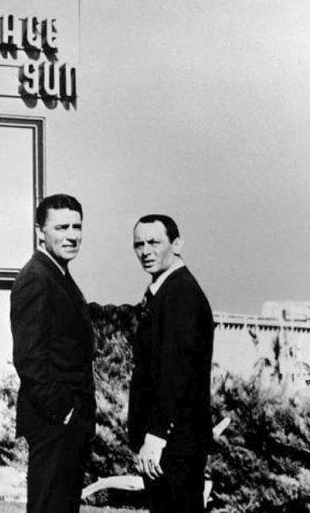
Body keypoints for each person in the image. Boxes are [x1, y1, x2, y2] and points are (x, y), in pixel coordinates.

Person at [10, 194, 95, 513]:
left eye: (77, 226)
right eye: (61, 227)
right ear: (39, 231)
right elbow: (29, 358)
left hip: (67, 425)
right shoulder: (36, 278)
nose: (72, 235)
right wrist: (63, 411)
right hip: (53, 422)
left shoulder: (58, 275)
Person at [128, 214, 214, 513]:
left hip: (172, 444)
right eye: (139, 244)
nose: (146, 251)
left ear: (177, 245)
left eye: (154, 242)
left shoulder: (180, 294)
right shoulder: (168, 292)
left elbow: (175, 373)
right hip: (173, 443)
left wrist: (155, 438)